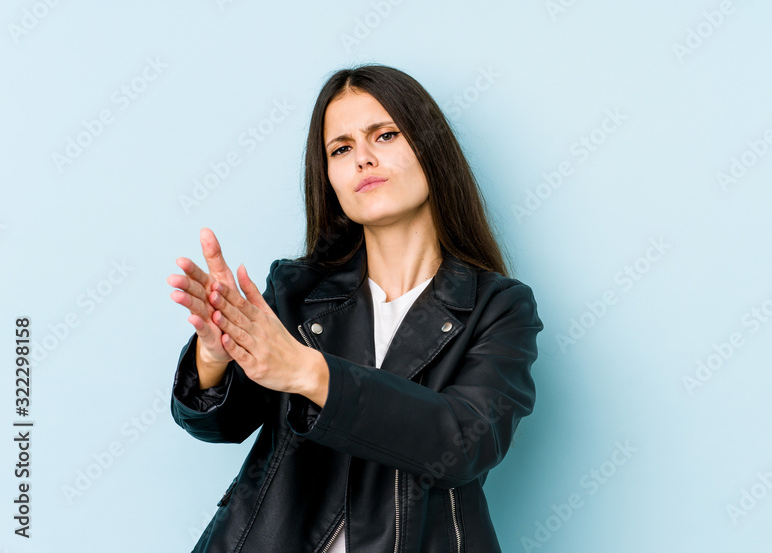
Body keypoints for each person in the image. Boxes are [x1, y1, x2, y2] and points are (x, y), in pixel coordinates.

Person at [165, 64, 544, 552]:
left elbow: (463, 444)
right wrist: (216, 357)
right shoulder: (296, 290)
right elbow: (222, 424)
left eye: (384, 135)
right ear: (330, 180)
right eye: (341, 149)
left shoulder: (500, 306)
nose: (363, 158)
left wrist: (309, 371)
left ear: (430, 150)